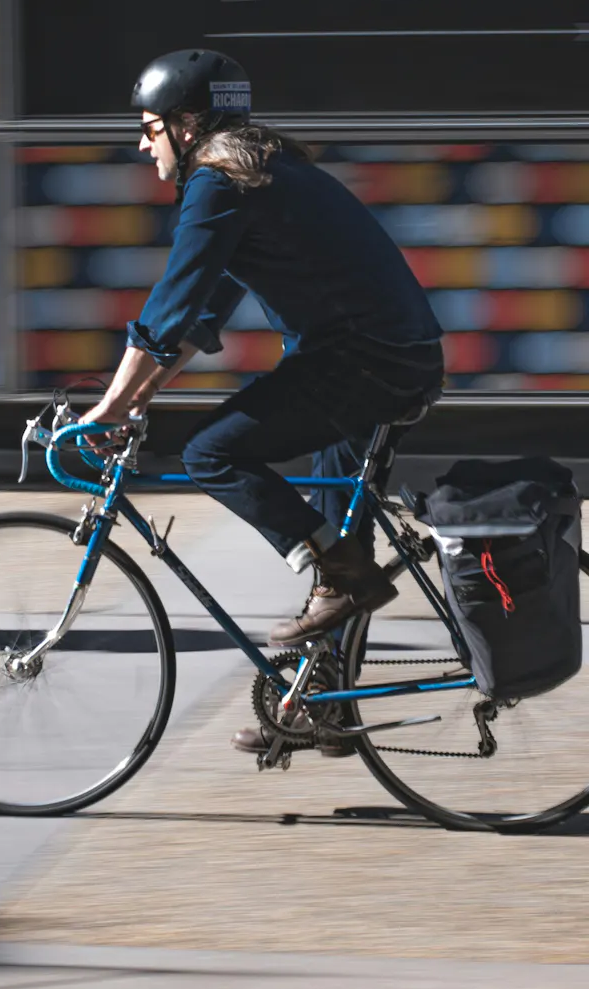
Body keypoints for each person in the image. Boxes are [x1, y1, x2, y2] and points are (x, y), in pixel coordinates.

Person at [68, 48, 447, 753]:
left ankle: (340, 581)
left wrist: (110, 407)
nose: (141, 142)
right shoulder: (263, 171)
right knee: (339, 530)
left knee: (212, 452)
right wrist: (135, 399)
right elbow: (204, 312)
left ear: (187, 125)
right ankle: (325, 703)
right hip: (390, 358)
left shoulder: (219, 183)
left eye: (150, 127)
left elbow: (172, 303)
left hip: (365, 364)